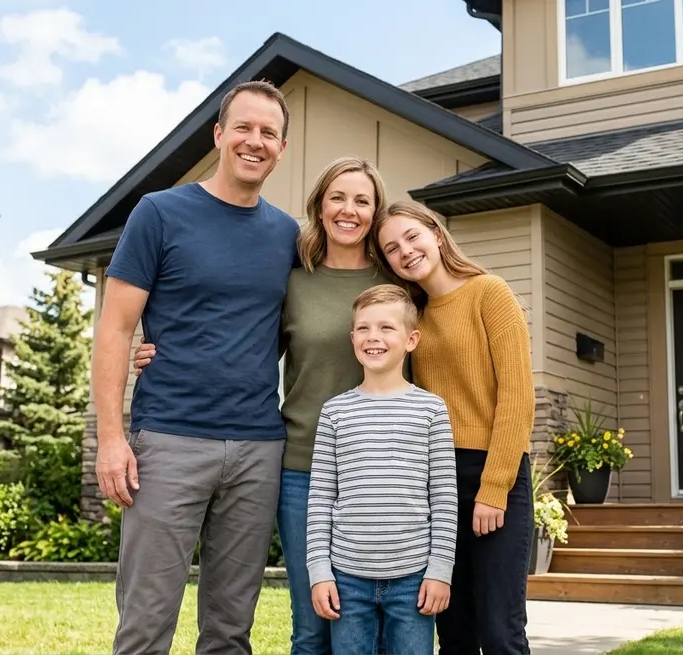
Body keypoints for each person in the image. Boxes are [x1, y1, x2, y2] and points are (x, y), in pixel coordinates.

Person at [131, 156, 398, 654]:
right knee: (312, 623)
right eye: (337, 197)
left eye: (363, 200)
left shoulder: (397, 287)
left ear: (376, 211)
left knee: (384, 616)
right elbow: (244, 339)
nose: (349, 210)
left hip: (381, 471)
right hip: (302, 463)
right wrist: (160, 352)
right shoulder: (295, 278)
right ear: (318, 206)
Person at [93, 79, 296, 655]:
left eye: (269, 132)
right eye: (244, 128)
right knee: (145, 624)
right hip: (169, 442)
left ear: (281, 148)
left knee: (231, 632)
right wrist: (111, 437)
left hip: (259, 447)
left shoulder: (287, 235)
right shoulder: (160, 213)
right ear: (219, 135)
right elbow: (115, 328)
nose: (254, 141)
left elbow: (290, 329)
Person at [374, 199, 536, 654]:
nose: (405, 251)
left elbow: (518, 397)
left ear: (436, 233)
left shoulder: (490, 292)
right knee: (454, 629)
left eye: (411, 237)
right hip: (437, 483)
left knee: (500, 630)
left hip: (493, 475)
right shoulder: (414, 321)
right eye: (391, 248)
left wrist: (494, 487)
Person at [305, 284, 458, 655]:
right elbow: (322, 496)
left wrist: (440, 571)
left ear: (411, 339)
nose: (373, 337)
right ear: (352, 337)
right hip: (346, 579)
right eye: (363, 328)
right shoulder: (335, 412)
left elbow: (443, 497)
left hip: (413, 578)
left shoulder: (431, 411)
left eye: (387, 328)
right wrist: (319, 572)